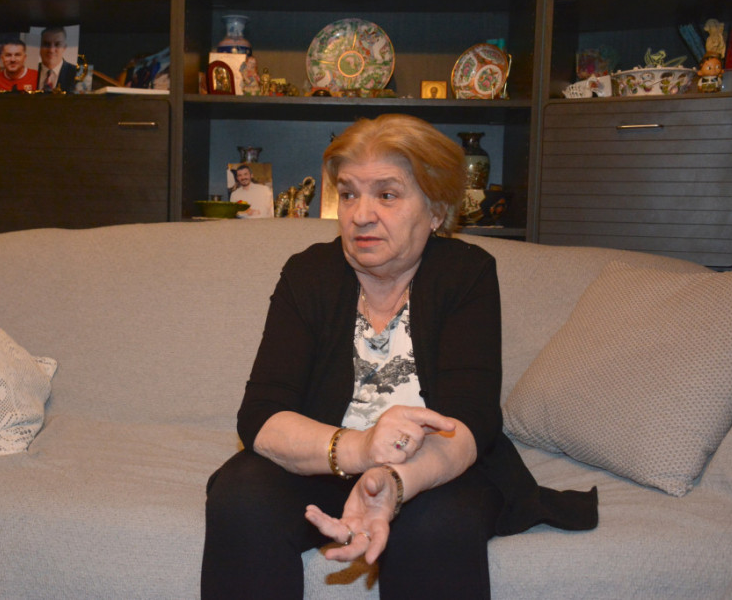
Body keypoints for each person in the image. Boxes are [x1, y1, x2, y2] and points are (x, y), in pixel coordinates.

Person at [202, 114, 598, 599]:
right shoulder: (308, 274)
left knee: (433, 528)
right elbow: (261, 415)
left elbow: (470, 420)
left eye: (387, 195)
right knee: (241, 495)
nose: (361, 215)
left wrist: (394, 481)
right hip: (325, 460)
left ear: (436, 211)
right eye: (349, 194)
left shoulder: (466, 274)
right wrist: (361, 449)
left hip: (435, 470)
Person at [37, 26, 78, 93]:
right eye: (46, 44)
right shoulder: (30, 72)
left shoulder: (76, 73)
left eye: (57, 44)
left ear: (64, 48)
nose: (51, 50)